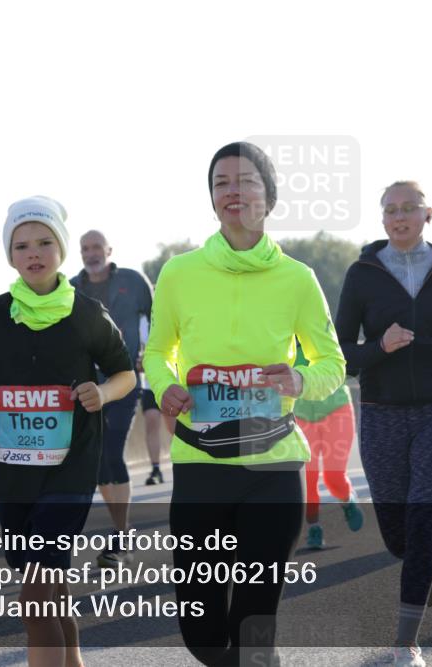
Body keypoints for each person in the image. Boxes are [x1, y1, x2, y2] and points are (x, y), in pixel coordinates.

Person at [143, 142, 345, 666]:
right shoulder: (178, 273)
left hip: (272, 465)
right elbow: (157, 351)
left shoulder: (297, 278)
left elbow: (333, 364)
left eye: (247, 180)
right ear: (212, 199)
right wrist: (165, 386)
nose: (234, 192)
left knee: (254, 620)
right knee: (203, 633)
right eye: (222, 183)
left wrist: (299, 381)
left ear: (269, 195)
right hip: (200, 464)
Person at [0, 196, 136, 667]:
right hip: (14, 475)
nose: (34, 252)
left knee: (33, 598)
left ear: (62, 249)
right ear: (10, 255)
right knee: (51, 594)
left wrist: (104, 394)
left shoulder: (87, 312)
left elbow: (124, 373)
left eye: (45, 242)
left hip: (71, 471)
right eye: (22, 245)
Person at [335, 179, 432, 667]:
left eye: (408, 209)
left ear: (427, 214)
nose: (399, 217)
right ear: (382, 219)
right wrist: (380, 346)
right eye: (390, 210)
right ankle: (425, 562)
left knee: (422, 524)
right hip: (381, 414)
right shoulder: (362, 273)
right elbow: (342, 355)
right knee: (398, 535)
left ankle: (406, 644)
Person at [70, 230, 153, 567]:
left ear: (109, 250)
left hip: (124, 380)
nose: (91, 254)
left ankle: (121, 537)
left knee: (111, 451)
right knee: (100, 460)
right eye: (85, 248)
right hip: (87, 386)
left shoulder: (134, 282)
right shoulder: (71, 287)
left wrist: (150, 352)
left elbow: (158, 318)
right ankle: (123, 532)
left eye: (96, 247)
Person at [292, 340, 364, 550]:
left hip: (336, 410)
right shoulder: (280, 338)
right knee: (309, 479)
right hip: (302, 416)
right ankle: (314, 528)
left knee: (334, 477)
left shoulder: (324, 333)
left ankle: (347, 500)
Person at [137, 315, 173, 486]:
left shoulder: (172, 312)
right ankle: (156, 468)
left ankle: (184, 464)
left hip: (172, 381)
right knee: (152, 421)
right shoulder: (141, 320)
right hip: (149, 384)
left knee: (174, 427)